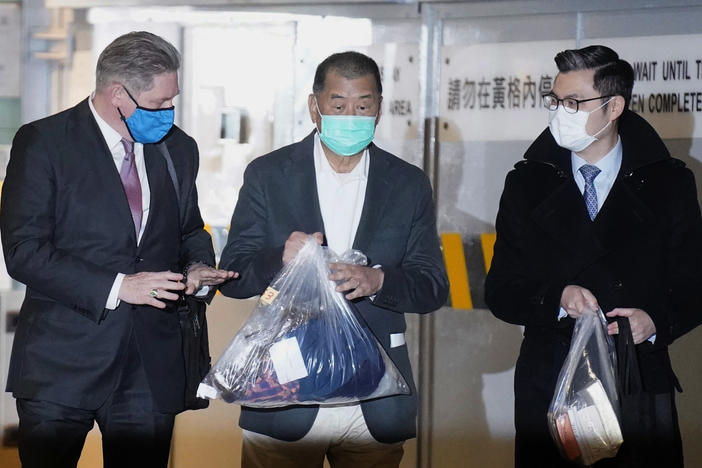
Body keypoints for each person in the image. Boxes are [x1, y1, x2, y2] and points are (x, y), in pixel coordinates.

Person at [0, 31, 236, 468]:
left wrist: (199, 266)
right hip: (61, 363)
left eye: (173, 100)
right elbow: (24, 251)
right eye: (159, 103)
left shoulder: (177, 148)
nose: (169, 113)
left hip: (149, 365)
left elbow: (188, 228)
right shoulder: (45, 144)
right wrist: (119, 286)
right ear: (116, 94)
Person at [218, 51, 448, 468]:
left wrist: (379, 281)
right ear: (315, 106)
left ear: (379, 108)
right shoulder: (269, 175)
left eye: (363, 105)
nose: (351, 116)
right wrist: (279, 259)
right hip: (284, 397)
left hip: (376, 401)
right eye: (338, 105)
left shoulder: (408, 183)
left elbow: (432, 287)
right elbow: (233, 275)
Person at [485, 45, 702, 468]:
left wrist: (655, 319)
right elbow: (501, 290)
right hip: (550, 378)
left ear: (614, 105)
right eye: (555, 100)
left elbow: (695, 284)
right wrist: (557, 298)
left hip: (636, 376)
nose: (558, 112)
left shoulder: (669, 183)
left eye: (572, 102)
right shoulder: (527, 183)